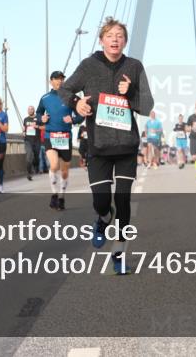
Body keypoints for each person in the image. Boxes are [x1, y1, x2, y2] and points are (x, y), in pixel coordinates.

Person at [59, 17, 153, 275]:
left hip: (125, 146)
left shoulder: (134, 66)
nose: (115, 39)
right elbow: (65, 91)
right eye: (110, 35)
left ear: (125, 41)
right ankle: (102, 219)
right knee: (102, 202)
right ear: (102, 40)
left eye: (120, 35)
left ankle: (119, 253)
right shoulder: (89, 65)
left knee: (123, 200)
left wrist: (131, 91)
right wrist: (77, 104)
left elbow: (147, 105)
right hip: (98, 145)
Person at [37, 71, 82, 211]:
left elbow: (82, 114)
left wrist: (73, 119)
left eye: (62, 79)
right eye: (56, 79)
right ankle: (54, 194)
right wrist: (41, 119)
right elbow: (38, 113)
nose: (60, 81)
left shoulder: (71, 98)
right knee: (54, 164)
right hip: (50, 136)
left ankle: (61, 196)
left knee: (64, 171)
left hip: (65, 137)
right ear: (51, 81)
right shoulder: (45, 98)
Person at [23, 105, 40, 180]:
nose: (30, 110)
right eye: (28, 109)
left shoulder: (38, 119)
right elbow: (24, 128)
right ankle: (29, 173)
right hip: (28, 140)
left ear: (34, 110)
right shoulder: (25, 119)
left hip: (36, 140)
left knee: (36, 157)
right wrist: (23, 131)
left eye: (31, 109)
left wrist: (37, 127)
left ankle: (35, 166)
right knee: (29, 156)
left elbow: (44, 127)